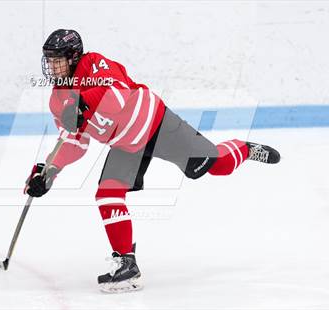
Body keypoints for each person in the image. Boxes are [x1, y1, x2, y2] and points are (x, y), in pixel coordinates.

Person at [24, 29, 280, 293]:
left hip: (156, 125)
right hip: (125, 146)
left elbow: (118, 92)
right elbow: (75, 143)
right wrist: (49, 170)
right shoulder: (58, 100)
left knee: (216, 166)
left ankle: (244, 149)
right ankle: (127, 264)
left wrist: (83, 105)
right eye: (49, 61)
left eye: (58, 60)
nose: (53, 67)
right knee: (107, 194)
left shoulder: (93, 63)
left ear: (74, 56)